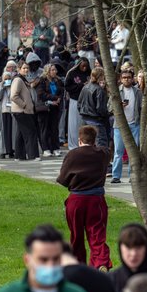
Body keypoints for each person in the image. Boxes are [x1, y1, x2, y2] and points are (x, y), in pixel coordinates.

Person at [56, 124, 112, 269]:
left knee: (76, 236)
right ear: (94, 140)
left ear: (80, 140)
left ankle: (76, 266)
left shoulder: (72, 155)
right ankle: (101, 262)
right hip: (96, 199)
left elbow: (63, 179)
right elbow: (107, 151)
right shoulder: (103, 153)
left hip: (76, 199)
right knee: (97, 235)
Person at [110, 67, 142, 183]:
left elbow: (141, 108)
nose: (127, 80)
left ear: (132, 78)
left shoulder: (137, 92)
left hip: (134, 125)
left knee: (133, 152)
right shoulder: (116, 91)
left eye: (129, 77)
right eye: (124, 78)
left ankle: (132, 175)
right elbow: (109, 107)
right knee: (118, 151)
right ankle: (116, 176)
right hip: (119, 126)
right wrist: (118, 106)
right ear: (120, 79)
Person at [34, 62, 64, 157]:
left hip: (55, 108)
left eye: (55, 70)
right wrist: (53, 98)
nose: (55, 72)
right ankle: (45, 148)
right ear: (47, 71)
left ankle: (55, 147)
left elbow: (61, 91)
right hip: (44, 107)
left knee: (54, 128)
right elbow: (41, 94)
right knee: (44, 129)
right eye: (53, 70)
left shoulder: (58, 81)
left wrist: (58, 98)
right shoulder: (42, 80)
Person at [77, 66, 110, 147]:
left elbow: (79, 104)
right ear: (101, 76)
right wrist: (107, 114)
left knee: (85, 144)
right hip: (96, 121)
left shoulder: (85, 87)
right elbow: (100, 108)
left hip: (84, 120)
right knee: (101, 145)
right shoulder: (99, 90)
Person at [64, 57, 91, 150]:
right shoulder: (71, 73)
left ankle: (85, 144)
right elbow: (67, 87)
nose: (84, 68)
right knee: (74, 124)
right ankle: (74, 145)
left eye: (86, 66)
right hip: (75, 100)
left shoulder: (89, 73)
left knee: (85, 124)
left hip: (86, 101)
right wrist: (80, 86)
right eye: (82, 66)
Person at [0, 64, 16, 159]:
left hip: (11, 112)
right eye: (5, 78)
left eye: (8, 78)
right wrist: (2, 86)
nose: (7, 80)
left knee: (11, 132)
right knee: (1, 131)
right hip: (2, 111)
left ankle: (11, 150)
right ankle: (2, 151)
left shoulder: (13, 86)